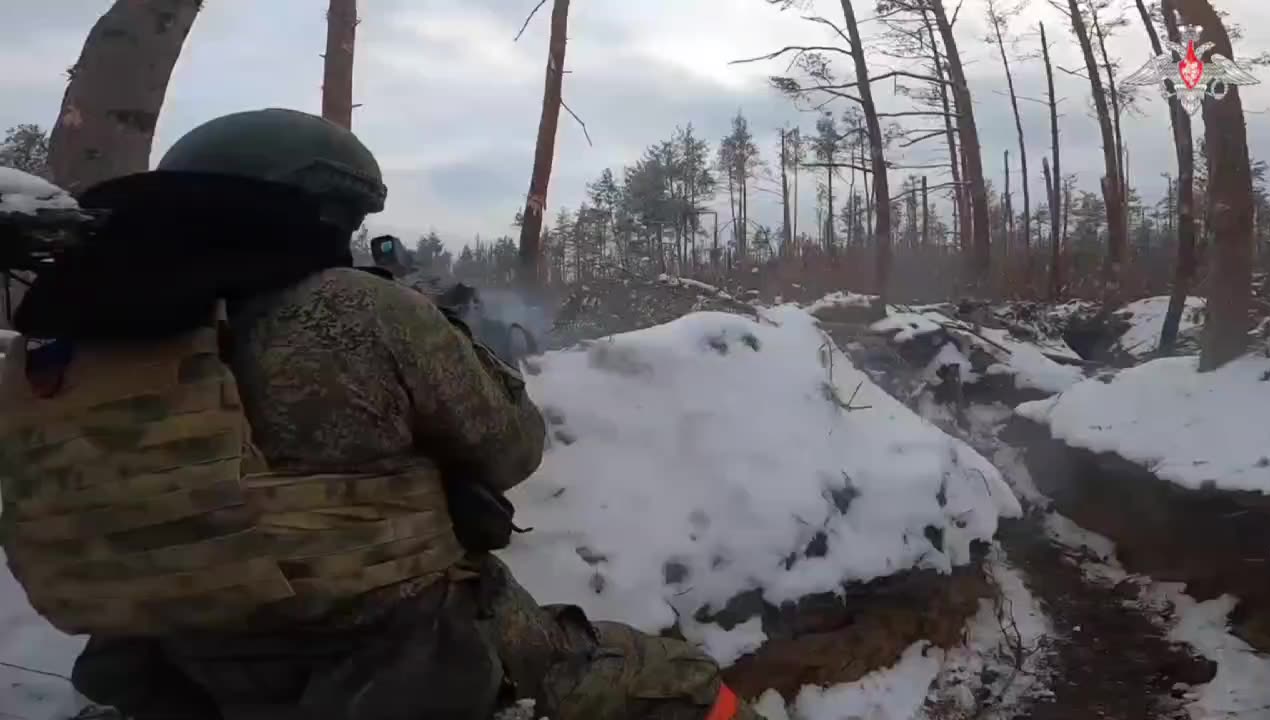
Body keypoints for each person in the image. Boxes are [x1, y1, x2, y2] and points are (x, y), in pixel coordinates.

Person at [0, 108, 758, 720]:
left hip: (165, 666)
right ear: (316, 206)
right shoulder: (355, 308)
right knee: (683, 683)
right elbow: (512, 449)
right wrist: (440, 333)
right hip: (395, 663)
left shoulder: (63, 339)